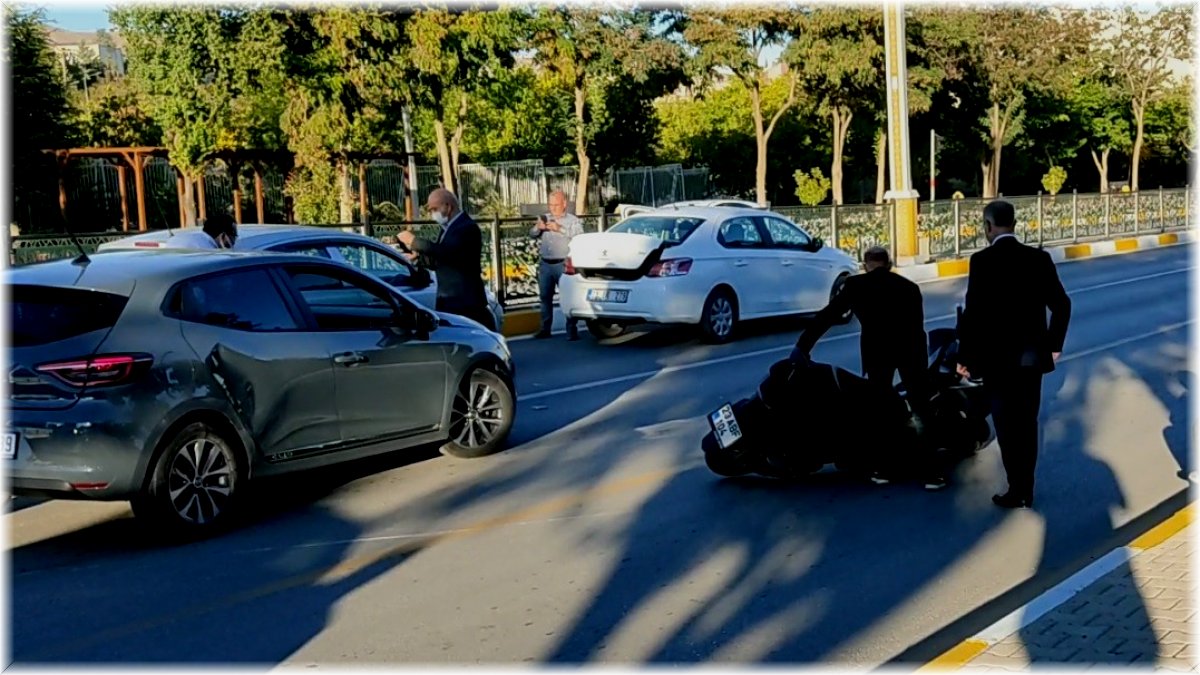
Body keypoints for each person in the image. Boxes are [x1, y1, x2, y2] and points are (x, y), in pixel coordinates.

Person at [795, 246, 945, 490]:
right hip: (910, 350)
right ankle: (932, 473)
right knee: (920, 408)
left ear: (866, 265)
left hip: (878, 353)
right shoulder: (909, 287)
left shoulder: (856, 286)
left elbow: (828, 316)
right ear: (889, 264)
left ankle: (886, 469)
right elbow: (918, 325)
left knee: (879, 409)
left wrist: (803, 346)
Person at [956, 200, 1071, 509]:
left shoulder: (981, 261)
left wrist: (965, 356)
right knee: (1027, 423)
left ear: (988, 227)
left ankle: (1016, 488)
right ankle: (1026, 488)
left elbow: (973, 314)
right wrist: (1054, 344)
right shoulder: (1039, 258)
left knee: (1007, 426)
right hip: (1031, 358)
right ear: (1015, 225)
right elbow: (1062, 305)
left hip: (996, 361)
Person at [397, 188, 495, 332]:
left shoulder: (467, 227)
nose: (432, 214)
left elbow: (448, 252)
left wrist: (414, 241)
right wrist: (418, 258)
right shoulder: (446, 229)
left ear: (448, 207)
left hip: (465, 302)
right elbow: (443, 260)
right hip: (450, 301)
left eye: (434, 209)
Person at [530, 190, 584, 340]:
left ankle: (571, 329)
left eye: (556, 205)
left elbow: (579, 236)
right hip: (546, 263)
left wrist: (559, 229)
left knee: (567, 296)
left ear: (564, 204)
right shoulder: (545, 218)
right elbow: (532, 234)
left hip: (563, 263)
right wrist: (538, 228)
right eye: (550, 204)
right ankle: (545, 329)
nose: (553, 208)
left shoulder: (572, 220)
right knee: (545, 297)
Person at [171, 212, 238, 249]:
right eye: (234, 235)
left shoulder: (177, 238)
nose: (235, 240)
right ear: (223, 236)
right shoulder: (210, 252)